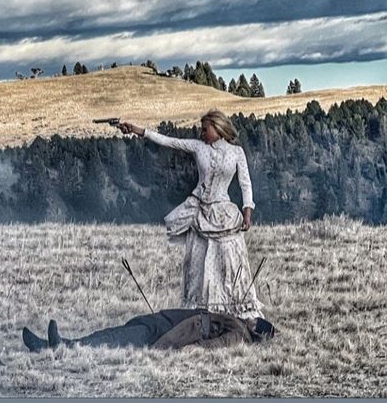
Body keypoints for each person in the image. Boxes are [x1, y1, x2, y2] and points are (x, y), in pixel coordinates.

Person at [117, 109, 263, 319]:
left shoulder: (237, 152)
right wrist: (138, 131)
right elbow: (168, 141)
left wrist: (247, 212)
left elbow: (245, 184)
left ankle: (234, 312)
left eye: (205, 129)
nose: (201, 133)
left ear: (218, 128)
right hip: (200, 212)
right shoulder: (198, 147)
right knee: (199, 266)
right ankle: (201, 312)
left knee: (229, 264)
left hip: (225, 215)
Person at [22, 309, 275, 352]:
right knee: (114, 333)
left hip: (168, 333)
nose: (253, 318)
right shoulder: (240, 323)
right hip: (167, 323)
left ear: (257, 329)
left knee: (114, 339)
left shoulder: (240, 334)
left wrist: (196, 349)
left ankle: (63, 346)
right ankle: (53, 345)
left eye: (256, 320)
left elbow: (220, 344)